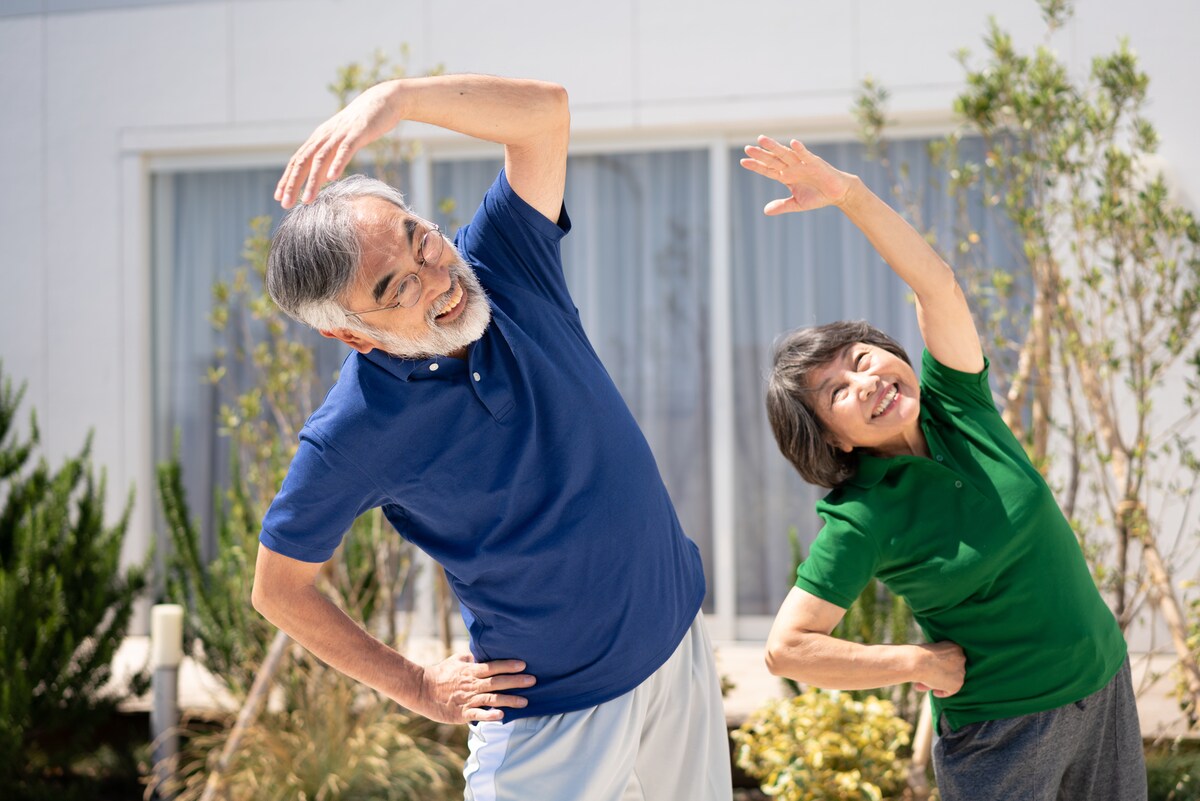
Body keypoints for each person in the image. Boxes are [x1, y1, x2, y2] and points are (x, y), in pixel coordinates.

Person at [252, 74, 732, 801]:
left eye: (422, 241)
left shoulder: (503, 262)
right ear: (349, 332)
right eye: (399, 289)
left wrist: (399, 99)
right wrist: (413, 683)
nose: (437, 276)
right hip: (553, 717)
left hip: (677, 652)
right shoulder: (352, 432)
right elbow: (279, 589)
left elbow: (545, 118)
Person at [741, 135, 1145, 801]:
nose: (864, 380)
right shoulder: (863, 514)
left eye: (860, 357)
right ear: (833, 440)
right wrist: (914, 662)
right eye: (837, 391)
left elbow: (935, 282)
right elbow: (789, 648)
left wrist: (847, 193)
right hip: (1007, 734)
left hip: (1103, 684)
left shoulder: (957, 405)